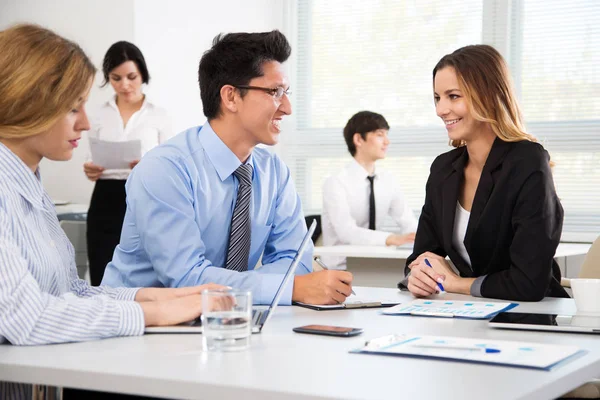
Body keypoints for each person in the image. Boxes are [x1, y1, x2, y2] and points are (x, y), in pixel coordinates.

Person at [0, 24, 223, 399]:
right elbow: (28, 319)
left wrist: (161, 298)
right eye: (73, 108)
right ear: (28, 103)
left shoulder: (28, 182)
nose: (85, 123)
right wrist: (152, 315)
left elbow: (67, 292)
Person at [101, 31, 353, 306]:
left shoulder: (274, 173)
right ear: (231, 97)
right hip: (136, 325)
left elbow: (296, 265)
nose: (288, 108)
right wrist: (287, 288)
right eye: (275, 92)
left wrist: (278, 286)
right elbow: (187, 278)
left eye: (286, 93)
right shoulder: (165, 169)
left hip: (223, 321)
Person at [403, 44, 568, 301]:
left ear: (487, 95)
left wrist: (456, 283)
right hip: (475, 313)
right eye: (437, 98)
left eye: (453, 96)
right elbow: (421, 258)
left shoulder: (527, 162)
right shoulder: (443, 169)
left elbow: (529, 282)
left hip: (528, 318)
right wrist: (417, 277)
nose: (440, 109)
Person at [83, 41, 172, 286]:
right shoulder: (98, 114)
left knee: (144, 265)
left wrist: (148, 166)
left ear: (142, 73)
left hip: (144, 196)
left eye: (131, 77)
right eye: (116, 78)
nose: (124, 85)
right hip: (105, 196)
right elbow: (90, 155)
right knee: (101, 260)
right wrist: (90, 167)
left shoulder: (159, 115)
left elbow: (168, 165)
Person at [321, 111, 418, 268]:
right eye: (380, 135)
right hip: (339, 269)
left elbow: (408, 221)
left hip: (375, 265)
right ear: (359, 139)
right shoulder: (335, 182)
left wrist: (420, 240)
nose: (387, 142)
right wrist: (391, 238)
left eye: (387, 135)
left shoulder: (388, 180)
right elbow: (346, 231)